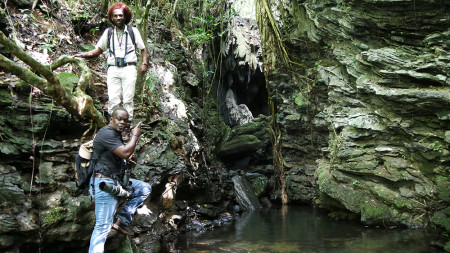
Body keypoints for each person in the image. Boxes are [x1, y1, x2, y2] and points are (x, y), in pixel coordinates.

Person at [88, 107, 151, 253]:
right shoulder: (106, 133)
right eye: (119, 119)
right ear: (112, 119)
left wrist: (126, 159)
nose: (123, 122)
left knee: (144, 188)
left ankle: (122, 220)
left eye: (125, 120)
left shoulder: (115, 135)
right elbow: (124, 151)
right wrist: (135, 136)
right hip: (104, 184)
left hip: (116, 181)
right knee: (102, 227)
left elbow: (120, 154)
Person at [74, 2, 149, 125]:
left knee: (128, 98)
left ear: (125, 17)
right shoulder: (108, 33)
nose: (119, 18)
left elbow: (143, 49)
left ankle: (126, 125)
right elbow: (98, 50)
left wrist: (144, 63)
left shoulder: (133, 31)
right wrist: (81, 55)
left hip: (129, 68)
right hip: (113, 69)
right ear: (112, 18)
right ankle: (113, 126)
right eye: (116, 16)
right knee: (113, 98)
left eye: (121, 15)